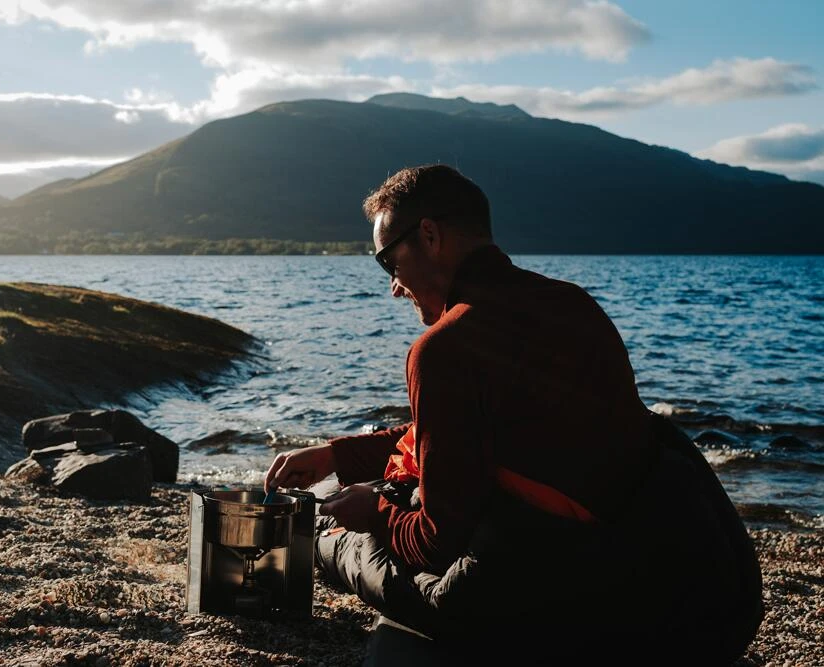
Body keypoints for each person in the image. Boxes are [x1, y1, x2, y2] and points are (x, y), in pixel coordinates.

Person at [263, 164, 764, 665]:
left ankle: (330, 546)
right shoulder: (573, 304)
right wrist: (336, 454)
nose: (394, 285)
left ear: (430, 236)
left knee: (343, 536)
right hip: (656, 582)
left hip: (558, 606)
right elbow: (461, 431)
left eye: (388, 262)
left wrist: (370, 514)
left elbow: (434, 544)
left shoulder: (442, 348)